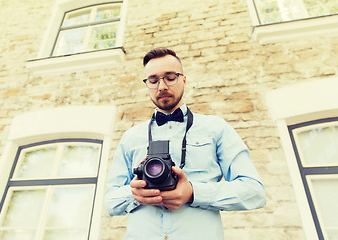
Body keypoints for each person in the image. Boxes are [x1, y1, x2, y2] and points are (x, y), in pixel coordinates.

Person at [104, 47, 266, 240]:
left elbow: (254, 192)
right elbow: (110, 202)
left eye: (170, 77)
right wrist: (135, 194)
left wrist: (193, 192)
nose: (162, 86)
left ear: (183, 79)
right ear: (147, 84)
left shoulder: (216, 128)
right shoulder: (130, 137)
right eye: (153, 80)